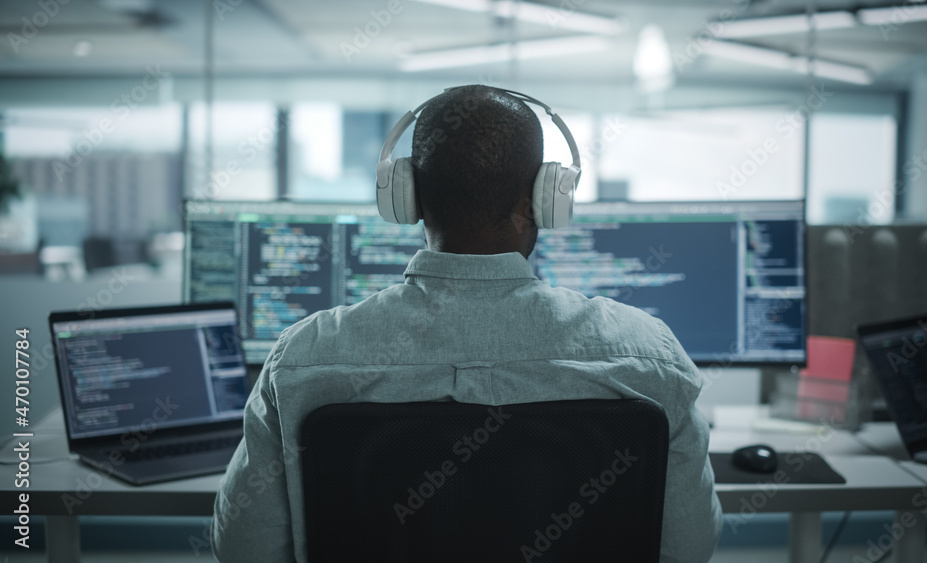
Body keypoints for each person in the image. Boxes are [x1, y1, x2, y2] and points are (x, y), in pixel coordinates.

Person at [211, 85, 722, 562]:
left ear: (407, 197)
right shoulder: (647, 356)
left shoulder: (303, 359)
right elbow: (688, 548)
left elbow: (243, 549)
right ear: (544, 199)